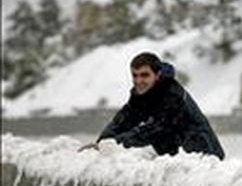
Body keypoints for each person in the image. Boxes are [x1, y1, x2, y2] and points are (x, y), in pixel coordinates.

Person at [80, 52, 225, 159]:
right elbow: (123, 120)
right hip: (176, 153)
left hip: (204, 154)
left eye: (144, 75)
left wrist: (114, 143)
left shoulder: (172, 94)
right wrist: (102, 142)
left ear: (157, 75)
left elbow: (154, 129)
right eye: (135, 75)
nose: (138, 80)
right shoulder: (141, 93)